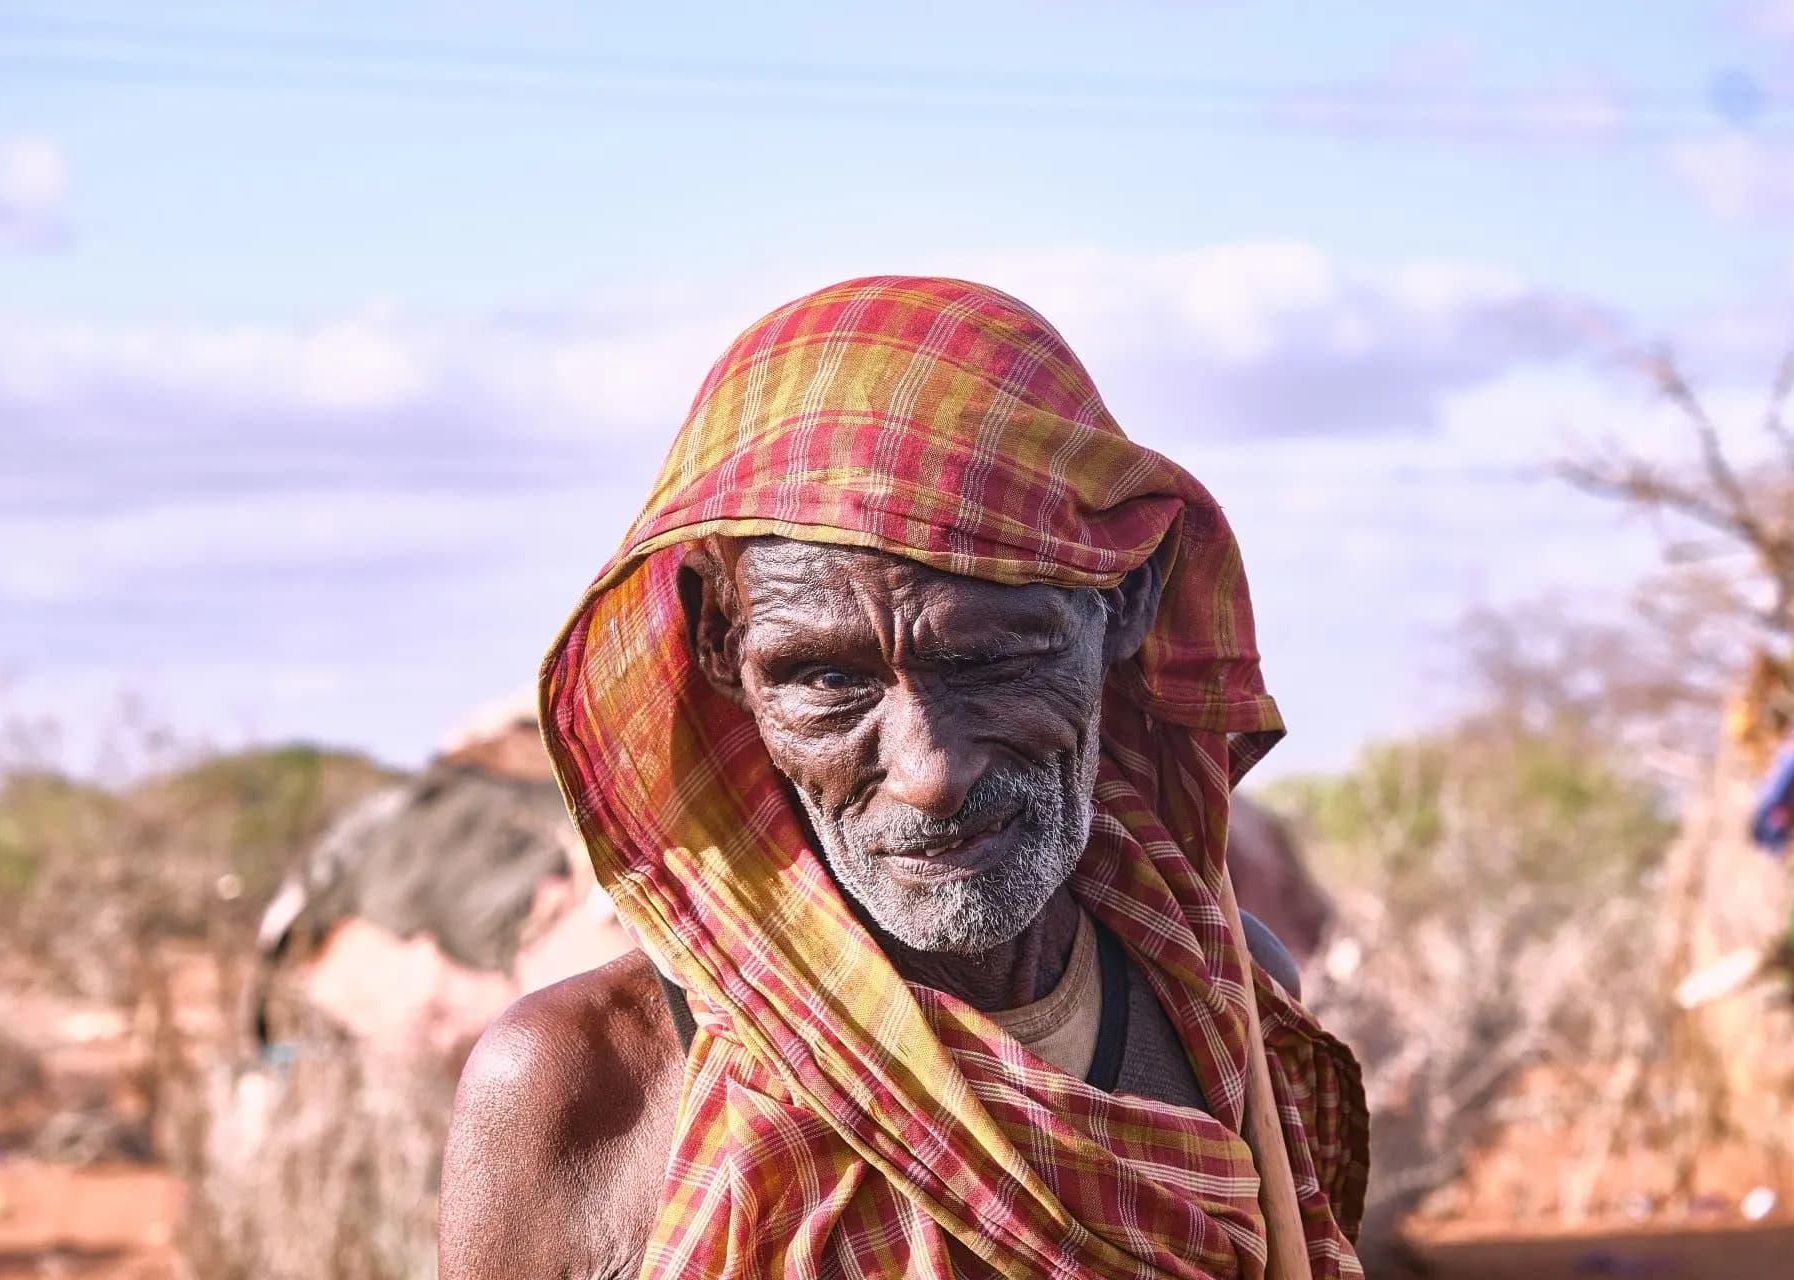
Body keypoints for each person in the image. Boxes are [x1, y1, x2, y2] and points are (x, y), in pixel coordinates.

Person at [439, 276, 1368, 1279]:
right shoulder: (585, 1084)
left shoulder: (1226, 998)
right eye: (828, 678)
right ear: (719, 642)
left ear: (1129, 598)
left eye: (992, 660)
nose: (928, 773)